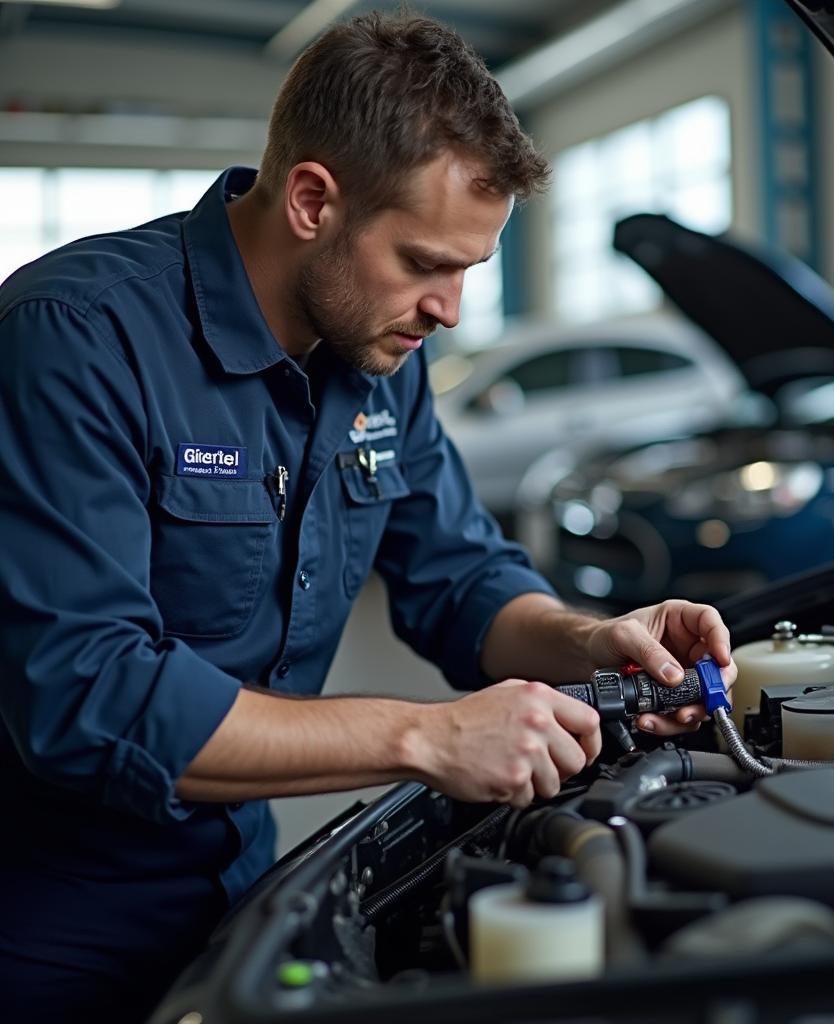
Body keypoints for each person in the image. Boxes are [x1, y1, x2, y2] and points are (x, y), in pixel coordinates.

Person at [0, 11, 736, 1021]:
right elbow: (86, 695)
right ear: (312, 200)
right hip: (49, 918)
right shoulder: (74, 341)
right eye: (428, 262)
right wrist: (426, 736)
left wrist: (589, 640)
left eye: (470, 269)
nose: (451, 310)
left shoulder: (378, 363)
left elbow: (460, 578)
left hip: (248, 887)